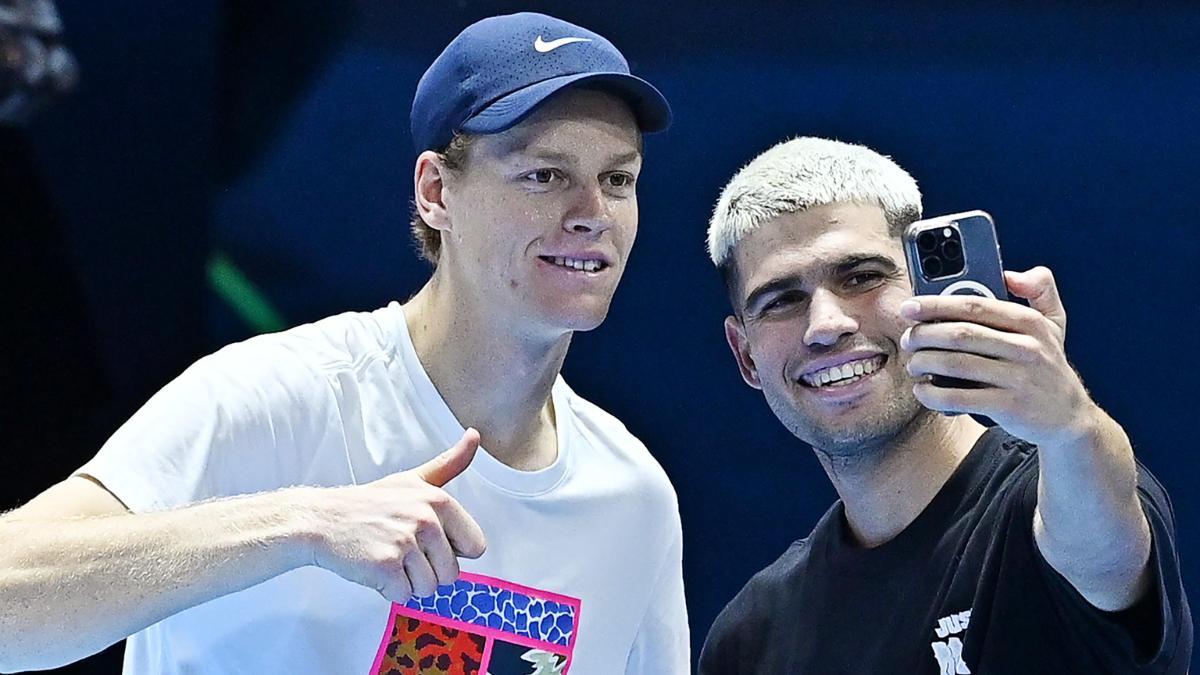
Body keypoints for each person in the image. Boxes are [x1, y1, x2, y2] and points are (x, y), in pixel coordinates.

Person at [0, 13, 689, 674]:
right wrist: (307, 522)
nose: (592, 215)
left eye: (617, 179)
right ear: (436, 192)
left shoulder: (632, 497)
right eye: (545, 174)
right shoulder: (272, 397)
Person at [697, 136, 1191, 674]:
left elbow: (1106, 553)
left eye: (861, 277)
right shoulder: (749, 640)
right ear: (746, 356)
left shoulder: (1050, 504)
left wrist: (1070, 425)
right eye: (782, 300)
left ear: (931, 293)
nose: (826, 325)